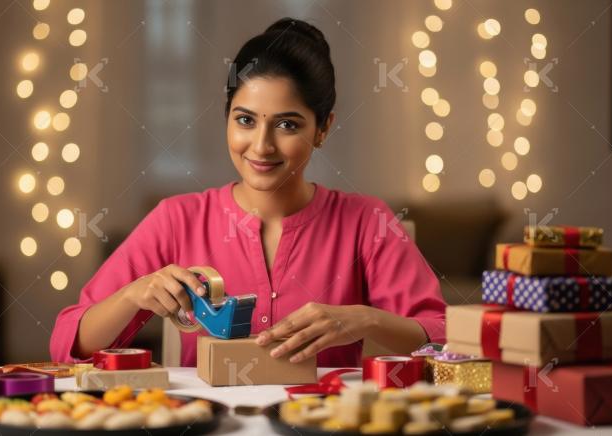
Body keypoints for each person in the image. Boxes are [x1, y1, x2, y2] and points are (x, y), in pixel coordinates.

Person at [50, 17, 446, 367]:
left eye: (287, 125)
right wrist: (133, 296)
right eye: (245, 120)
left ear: (323, 128)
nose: (261, 146)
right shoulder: (177, 218)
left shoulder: (366, 221)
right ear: (227, 118)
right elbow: (67, 344)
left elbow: (444, 335)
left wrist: (366, 318)